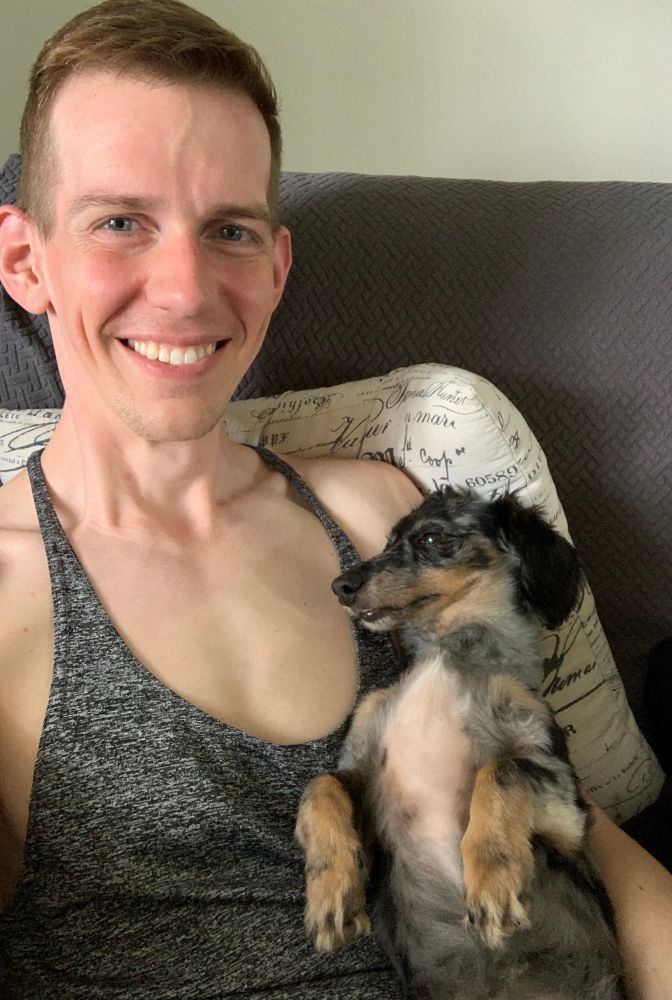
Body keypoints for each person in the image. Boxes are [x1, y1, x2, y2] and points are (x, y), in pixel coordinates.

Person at [0, 1, 670, 997]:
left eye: (228, 229)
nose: (184, 290)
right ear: (25, 260)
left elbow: (587, 833)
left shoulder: (379, 516)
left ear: (274, 272)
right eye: (121, 222)